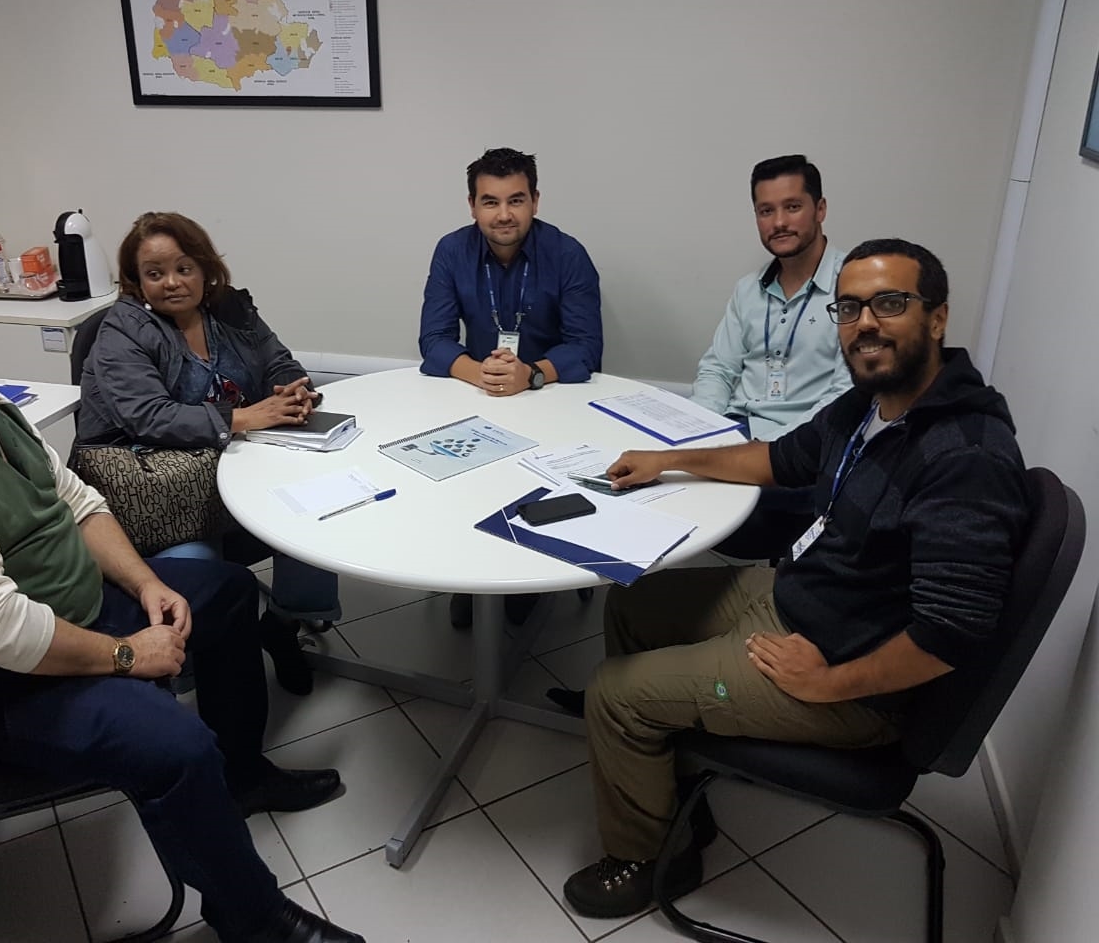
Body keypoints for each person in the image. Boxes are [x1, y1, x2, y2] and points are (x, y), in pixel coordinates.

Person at [0, 248, 362, 943]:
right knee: (174, 745)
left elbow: (76, 501)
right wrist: (129, 653)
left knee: (225, 594)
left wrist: (147, 582)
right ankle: (252, 918)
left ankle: (243, 777)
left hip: (69, 614)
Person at [560, 239, 1029, 919]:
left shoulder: (967, 457)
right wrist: (668, 460)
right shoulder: (873, 405)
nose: (865, 323)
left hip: (848, 674)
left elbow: (951, 632)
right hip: (797, 600)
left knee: (613, 694)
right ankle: (667, 768)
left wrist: (830, 683)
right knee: (635, 599)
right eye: (851, 308)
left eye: (890, 303)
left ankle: (649, 856)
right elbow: (778, 459)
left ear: (936, 318)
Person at [76, 211, 340, 695]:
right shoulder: (122, 331)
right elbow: (148, 415)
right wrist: (242, 418)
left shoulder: (232, 309)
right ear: (137, 281)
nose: (172, 283)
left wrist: (294, 390)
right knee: (196, 566)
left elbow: (277, 359)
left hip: (239, 466)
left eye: (183, 268)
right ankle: (212, 681)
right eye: (154, 274)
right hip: (164, 493)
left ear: (204, 267)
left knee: (315, 514)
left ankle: (283, 626)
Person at [419, 147, 604, 628]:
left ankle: (527, 578)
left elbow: (587, 347)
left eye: (516, 200)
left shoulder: (567, 254)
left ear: (536, 201)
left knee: (535, 487)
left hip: (553, 397)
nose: (503, 215)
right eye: (490, 201)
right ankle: (476, 576)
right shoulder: (451, 251)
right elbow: (433, 340)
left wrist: (532, 374)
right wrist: (477, 371)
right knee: (463, 485)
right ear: (472, 205)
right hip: (480, 394)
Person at [691, 154, 853, 561]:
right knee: (663, 477)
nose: (779, 222)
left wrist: (761, 451)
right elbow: (718, 368)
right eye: (766, 211)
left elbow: (843, 398)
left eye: (792, 207)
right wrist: (702, 432)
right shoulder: (749, 289)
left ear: (821, 209)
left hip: (803, 455)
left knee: (683, 495)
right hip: (737, 432)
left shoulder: (852, 288)